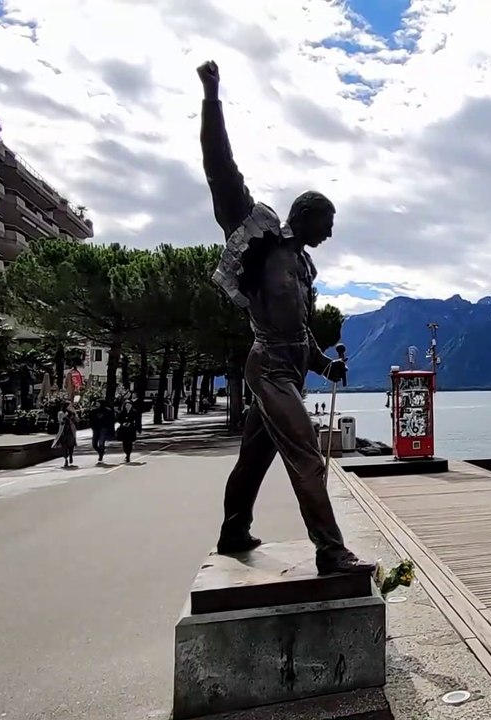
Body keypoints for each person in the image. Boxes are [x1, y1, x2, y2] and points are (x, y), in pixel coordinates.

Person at [198, 59, 372, 576]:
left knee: (253, 458)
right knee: (308, 456)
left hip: (290, 366)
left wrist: (323, 363)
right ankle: (331, 551)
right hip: (269, 368)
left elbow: (300, 329)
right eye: (329, 222)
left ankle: (233, 530)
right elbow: (220, 168)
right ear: (307, 215)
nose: (332, 233)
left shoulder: (301, 264)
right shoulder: (261, 242)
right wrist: (211, 97)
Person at [88, 399, 116, 463]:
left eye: (98, 403)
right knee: (94, 444)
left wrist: (109, 429)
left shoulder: (108, 411)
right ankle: (100, 451)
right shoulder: (93, 411)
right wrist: (92, 426)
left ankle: (101, 456)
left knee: (101, 441)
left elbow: (112, 420)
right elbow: (90, 419)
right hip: (96, 429)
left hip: (104, 428)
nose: (96, 404)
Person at [54, 402, 79, 468]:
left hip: (71, 431)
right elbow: (60, 421)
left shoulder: (73, 413)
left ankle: (70, 455)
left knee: (71, 445)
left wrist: (74, 414)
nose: (70, 407)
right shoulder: (60, 413)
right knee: (64, 446)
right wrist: (65, 415)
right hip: (64, 431)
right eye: (69, 406)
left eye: (71, 406)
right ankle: (65, 459)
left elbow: (78, 420)